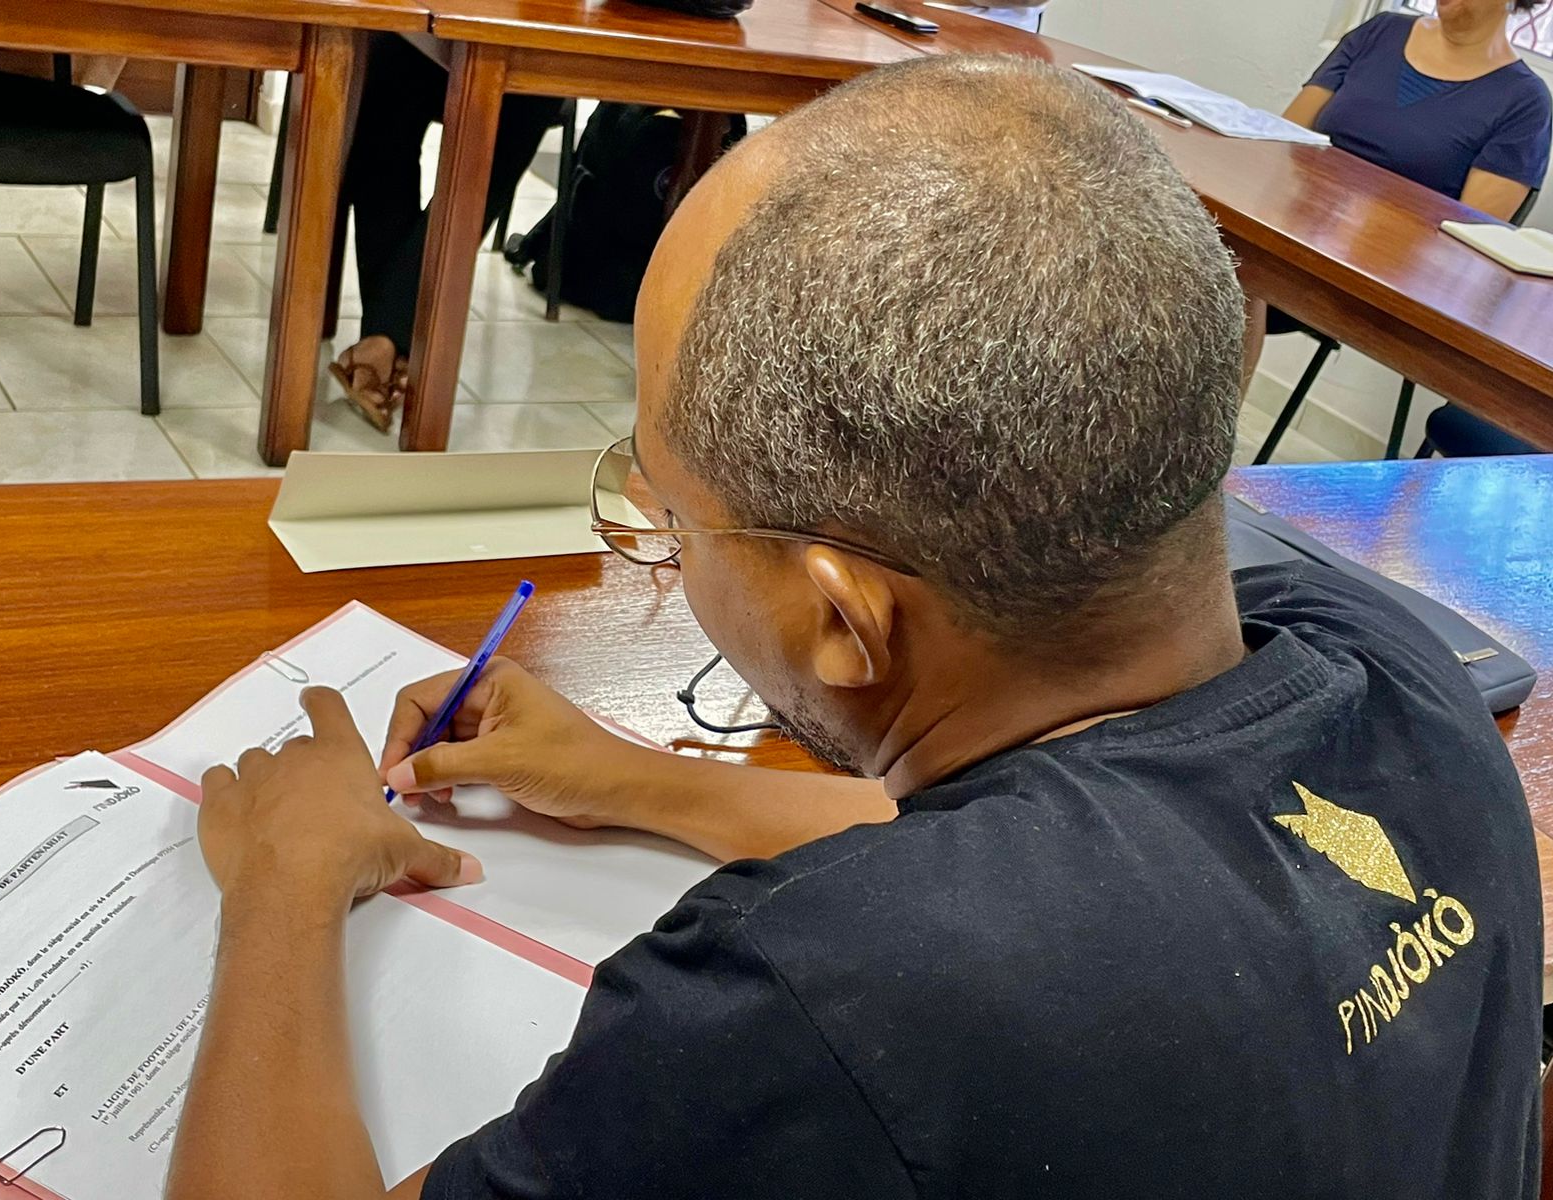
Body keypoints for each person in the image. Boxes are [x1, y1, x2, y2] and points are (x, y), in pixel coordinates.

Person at [168, 56, 1542, 1199]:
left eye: (675, 518)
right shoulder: (1388, 662)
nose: (665, 543)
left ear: (841, 621)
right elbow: (1085, 855)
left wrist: (289, 884)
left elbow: (973, 920)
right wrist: (636, 783)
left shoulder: (827, 1002)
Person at [1243, 0, 1552, 378]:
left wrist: (1357, 223)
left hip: (1374, 280)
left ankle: (1199, 434)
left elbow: (1468, 244)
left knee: (1236, 268)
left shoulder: (1524, 103)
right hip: (1293, 231)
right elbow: (1280, 142)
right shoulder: (1380, 32)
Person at [328, 35, 563, 431]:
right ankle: (391, 338)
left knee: (516, 117)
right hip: (416, 27)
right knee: (384, 109)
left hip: (532, 38)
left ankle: (383, 341)